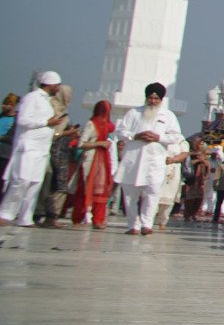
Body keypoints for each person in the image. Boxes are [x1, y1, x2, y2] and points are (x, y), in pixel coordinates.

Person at [113, 82, 184, 235]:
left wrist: (158, 137)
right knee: (130, 194)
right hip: (134, 159)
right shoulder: (134, 113)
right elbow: (121, 131)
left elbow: (176, 136)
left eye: (156, 98)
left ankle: (147, 224)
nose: (153, 101)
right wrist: (135, 136)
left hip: (155, 160)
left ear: (161, 99)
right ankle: (133, 225)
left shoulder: (168, 116)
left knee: (152, 192)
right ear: (146, 98)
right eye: (151, 98)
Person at [0, 72, 68, 227]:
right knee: (21, 180)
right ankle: (5, 213)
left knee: (35, 183)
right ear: (50, 84)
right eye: (57, 84)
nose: (58, 88)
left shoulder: (47, 101)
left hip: (42, 149)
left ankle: (25, 217)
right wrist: (46, 122)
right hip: (28, 147)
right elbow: (23, 120)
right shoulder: (32, 98)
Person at [70, 100, 118, 229]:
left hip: (102, 162)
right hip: (90, 160)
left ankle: (98, 219)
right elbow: (81, 143)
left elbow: (112, 127)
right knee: (85, 189)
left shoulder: (106, 126)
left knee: (101, 191)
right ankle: (78, 217)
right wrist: (99, 143)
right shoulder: (91, 124)